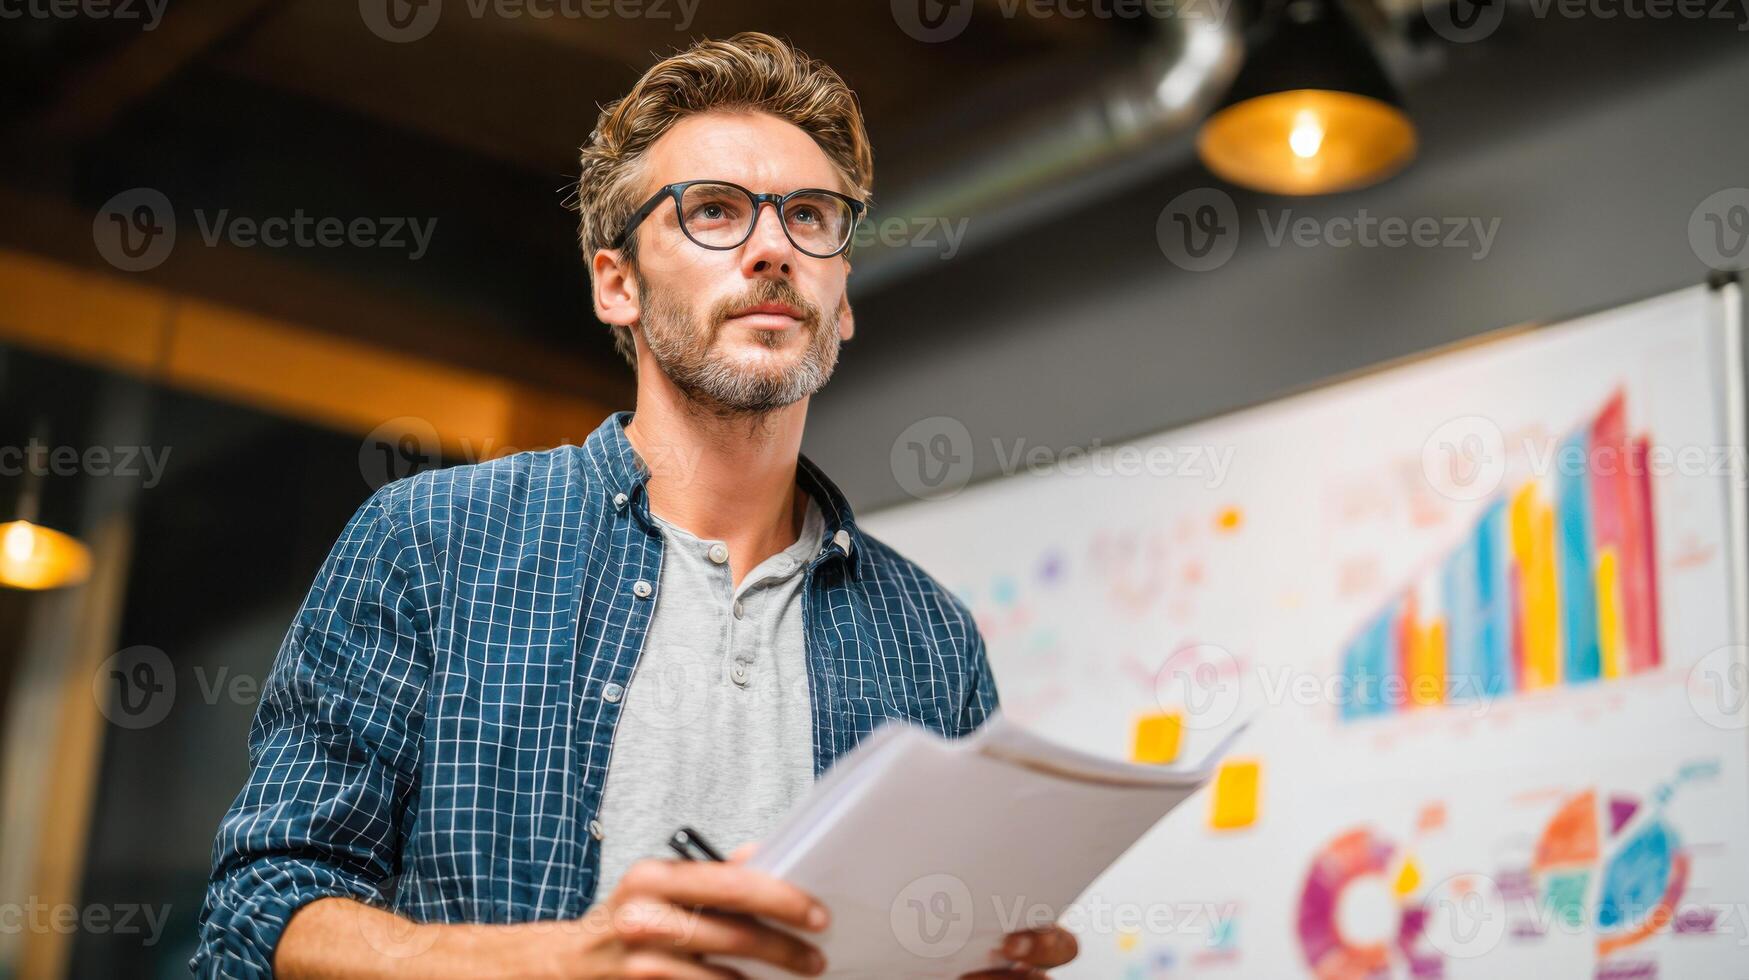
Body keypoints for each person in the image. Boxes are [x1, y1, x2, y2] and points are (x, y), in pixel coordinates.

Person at [192, 31, 1079, 979]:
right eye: (713, 211)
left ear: (843, 296)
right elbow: (260, 909)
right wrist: (565, 964)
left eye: (809, 216)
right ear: (617, 284)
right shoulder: (431, 542)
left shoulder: (930, 638)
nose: (773, 249)